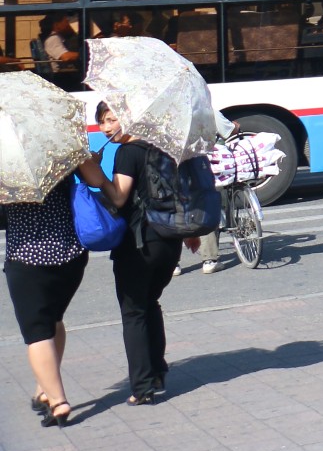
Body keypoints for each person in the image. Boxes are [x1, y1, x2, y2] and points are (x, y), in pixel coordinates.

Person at [99, 103, 203, 403]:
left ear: (129, 119)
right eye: (102, 121)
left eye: (112, 119)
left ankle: (143, 388)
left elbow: (119, 197)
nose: (106, 128)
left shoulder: (127, 152)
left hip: (139, 243)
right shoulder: (164, 147)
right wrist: (192, 232)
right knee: (150, 303)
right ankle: (157, 372)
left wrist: (95, 173)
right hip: (169, 241)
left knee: (134, 312)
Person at [4, 148, 115, 427]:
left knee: (37, 332)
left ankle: (58, 401)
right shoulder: (59, 146)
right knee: (54, 320)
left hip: (27, 257)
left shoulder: (5, 157)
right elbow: (96, 180)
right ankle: (44, 389)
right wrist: (85, 158)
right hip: (70, 255)